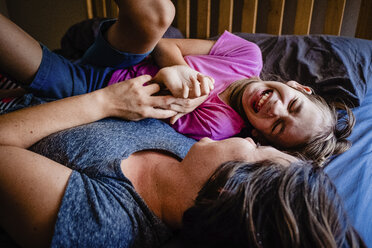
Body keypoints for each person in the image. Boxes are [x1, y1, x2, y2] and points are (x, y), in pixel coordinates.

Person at [0, 76, 365, 248]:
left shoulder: (103, 222)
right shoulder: (187, 153)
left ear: (226, 186)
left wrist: (103, 104)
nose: (251, 139)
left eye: (258, 150)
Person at [0, 0, 354, 166]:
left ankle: (30, 88)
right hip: (128, 56)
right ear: (298, 86)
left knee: (29, 59)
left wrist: (164, 82)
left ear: (260, 136)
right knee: (158, 13)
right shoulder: (248, 56)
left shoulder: (220, 125)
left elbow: (153, 112)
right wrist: (174, 68)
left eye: (277, 125)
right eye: (292, 105)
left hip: (87, 88)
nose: (274, 108)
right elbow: (166, 43)